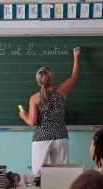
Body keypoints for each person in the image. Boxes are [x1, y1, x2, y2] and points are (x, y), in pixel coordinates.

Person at [19, 48, 81, 176]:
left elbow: (32, 122)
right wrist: (76, 57)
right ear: (51, 77)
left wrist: (24, 115)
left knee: (37, 175)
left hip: (41, 137)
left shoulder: (34, 98)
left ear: (38, 80)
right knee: (62, 175)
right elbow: (74, 76)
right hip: (60, 136)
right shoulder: (62, 91)